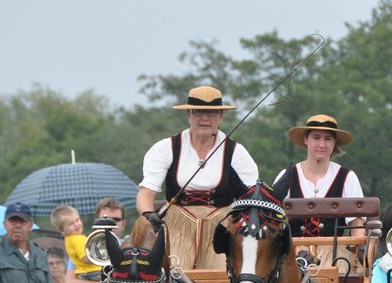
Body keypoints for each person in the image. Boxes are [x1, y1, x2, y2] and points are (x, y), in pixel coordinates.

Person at [136, 85, 258, 269]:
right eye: (198, 112)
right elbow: (146, 194)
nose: (204, 118)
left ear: (220, 117)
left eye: (211, 113)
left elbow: (252, 196)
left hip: (221, 228)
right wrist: (148, 214)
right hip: (176, 227)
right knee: (172, 274)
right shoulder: (166, 148)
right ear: (189, 115)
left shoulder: (236, 152)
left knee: (222, 277)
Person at [273, 114, 365, 271]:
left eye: (328, 139)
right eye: (316, 137)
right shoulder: (286, 176)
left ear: (334, 142)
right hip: (292, 257)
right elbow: (273, 222)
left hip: (336, 259)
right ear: (305, 140)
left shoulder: (347, 177)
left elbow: (356, 225)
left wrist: (359, 261)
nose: (322, 144)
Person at [65, 198, 127, 283]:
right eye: (105, 218)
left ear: (123, 224)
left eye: (116, 220)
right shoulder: (85, 247)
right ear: (96, 222)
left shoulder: (131, 248)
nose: (110, 224)